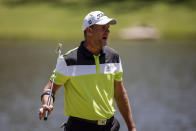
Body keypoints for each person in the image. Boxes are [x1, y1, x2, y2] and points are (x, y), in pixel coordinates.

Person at [39, 11, 136, 131]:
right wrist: (47, 104)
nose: (108, 31)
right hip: (79, 127)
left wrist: (132, 127)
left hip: (110, 126)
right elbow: (49, 89)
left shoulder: (113, 57)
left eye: (108, 28)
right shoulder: (69, 60)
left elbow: (120, 95)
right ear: (89, 30)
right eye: (103, 28)